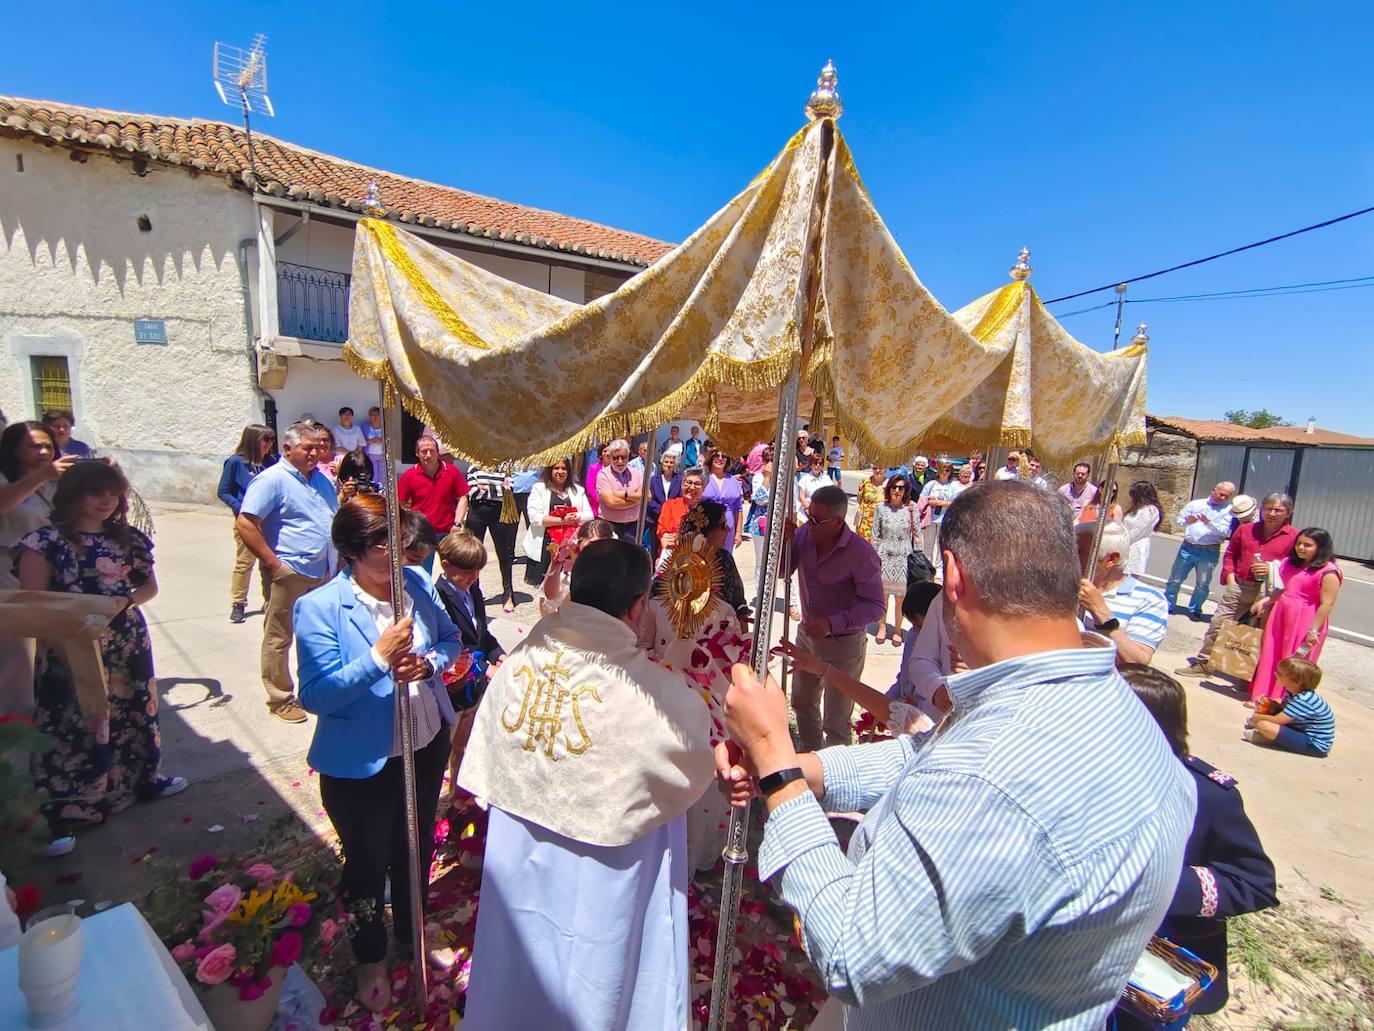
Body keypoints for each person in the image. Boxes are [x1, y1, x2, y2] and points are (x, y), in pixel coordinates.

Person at [716, 479, 1196, 1029]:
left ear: (953, 577)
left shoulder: (996, 770)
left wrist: (775, 761)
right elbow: (924, 754)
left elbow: (853, 952)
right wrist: (801, 769)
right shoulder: (1112, 705)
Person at [459, 539, 714, 1031]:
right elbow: (693, 748)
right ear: (638, 606)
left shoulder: (526, 653)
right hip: (601, 874)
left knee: (516, 965)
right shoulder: (654, 693)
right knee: (593, 975)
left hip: (519, 856)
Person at [294, 495, 462, 1012]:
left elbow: (453, 638)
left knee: (413, 846)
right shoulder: (320, 607)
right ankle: (369, 955)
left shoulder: (415, 584)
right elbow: (317, 694)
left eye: (399, 537)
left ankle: (411, 934)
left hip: (425, 742)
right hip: (363, 764)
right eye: (382, 541)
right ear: (351, 550)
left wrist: (430, 664)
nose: (398, 549)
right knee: (367, 866)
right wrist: (377, 659)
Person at [16, 461, 186, 855]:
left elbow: (147, 589)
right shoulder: (43, 544)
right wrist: (72, 632)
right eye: (97, 493)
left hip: (126, 643)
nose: (107, 502)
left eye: (113, 494)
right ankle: (61, 812)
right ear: (74, 496)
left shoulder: (128, 540)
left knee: (132, 713)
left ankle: (142, 780)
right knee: (74, 722)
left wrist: (119, 603)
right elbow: (32, 605)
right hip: (68, 649)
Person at [1117, 664, 1278, 1026]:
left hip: (1154, 964)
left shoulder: (1205, 793)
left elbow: (1254, 883)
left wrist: (1158, 883)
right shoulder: (1081, 775)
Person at [236, 422, 339, 724]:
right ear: (288, 449)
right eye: (307, 448)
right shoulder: (273, 480)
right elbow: (246, 523)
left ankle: (318, 686)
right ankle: (280, 697)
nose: (314, 453)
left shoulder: (319, 479)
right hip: (290, 571)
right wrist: (272, 563)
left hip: (323, 571)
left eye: (316, 448)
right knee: (279, 636)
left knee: (319, 633)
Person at [783, 484, 884, 750]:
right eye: (808, 515)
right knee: (802, 703)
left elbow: (875, 607)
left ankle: (836, 777)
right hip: (807, 634)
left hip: (843, 643)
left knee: (836, 719)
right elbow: (782, 572)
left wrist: (831, 623)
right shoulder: (804, 533)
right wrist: (784, 543)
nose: (810, 523)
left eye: (817, 519)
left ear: (838, 521)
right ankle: (810, 756)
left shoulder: (861, 554)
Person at [775, 580, 944, 737]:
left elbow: (944, 703)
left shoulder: (950, 651)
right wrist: (884, 704)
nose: (915, 630)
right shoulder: (914, 635)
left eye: (920, 625)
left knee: (836, 719)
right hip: (907, 719)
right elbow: (904, 678)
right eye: (913, 625)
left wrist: (912, 708)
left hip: (929, 729)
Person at [1176, 492, 1296, 679]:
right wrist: (1231, 580)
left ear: (1288, 513)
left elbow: (1294, 568)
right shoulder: (1246, 530)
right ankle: (1204, 663)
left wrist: (1272, 571)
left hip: (1268, 592)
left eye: (1278, 510)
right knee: (1218, 624)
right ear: (1261, 510)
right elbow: (1230, 554)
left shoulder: (1293, 538)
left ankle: (1247, 675)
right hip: (1240, 586)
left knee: (1259, 633)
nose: (1272, 513)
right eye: (1268, 509)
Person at [0, 421, 76, 715]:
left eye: (48, 444)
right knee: (17, 648)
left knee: (59, 641)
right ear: (15, 449)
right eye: (35, 445)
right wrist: (41, 476)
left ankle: (54, 705)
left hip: (55, 568)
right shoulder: (6, 479)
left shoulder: (60, 481)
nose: (44, 451)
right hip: (9, 568)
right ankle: (16, 715)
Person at [434, 528, 507, 797]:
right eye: (466, 572)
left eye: (477, 571)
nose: (473, 577)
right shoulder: (439, 597)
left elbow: (481, 634)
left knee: (465, 747)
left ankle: (458, 796)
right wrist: (485, 667)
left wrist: (498, 654)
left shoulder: (473, 592)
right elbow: (454, 644)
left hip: (472, 689)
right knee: (443, 748)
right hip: (451, 689)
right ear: (446, 565)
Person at [1247, 528, 1342, 707]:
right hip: (1281, 613)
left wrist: (1313, 630)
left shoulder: (1329, 571)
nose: (1301, 548)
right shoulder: (1291, 563)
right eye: (1299, 543)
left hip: (1306, 619)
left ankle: (1282, 701)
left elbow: (1327, 603)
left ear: (1320, 548)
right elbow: (1285, 587)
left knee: (1294, 661)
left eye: (1308, 545)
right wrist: (1266, 601)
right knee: (1271, 653)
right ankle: (1261, 696)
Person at [1076, 520, 1169, 665]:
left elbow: (1136, 662)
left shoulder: (1149, 600)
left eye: (1079, 552)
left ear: (1111, 559)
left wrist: (1101, 613)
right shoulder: (1061, 586)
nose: (1070, 558)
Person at [217, 424, 276, 624]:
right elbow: (223, 491)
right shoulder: (235, 463)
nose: (269, 445)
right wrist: (241, 508)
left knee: (269, 563)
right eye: (265, 440)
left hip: (269, 521)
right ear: (253, 440)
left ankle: (270, 601)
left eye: (271, 440)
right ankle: (238, 603)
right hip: (248, 522)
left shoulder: (272, 463)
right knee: (245, 563)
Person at [1164, 481, 1237, 618]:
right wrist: (1187, 522)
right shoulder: (1196, 504)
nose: (1222, 498)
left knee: (1203, 583)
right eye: (1221, 494)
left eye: (1226, 496)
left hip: (1209, 551)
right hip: (1188, 547)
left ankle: (1195, 608)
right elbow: (1177, 520)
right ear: (1213, 490)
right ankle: (1168, 603)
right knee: (1175, 578)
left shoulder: (1229, 510)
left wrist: (1209, 523)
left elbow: (1226, 532)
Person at [1244, 656, 1335, 757]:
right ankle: (1275, 736)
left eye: (1280, 674)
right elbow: (1284, 707)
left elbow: (1278, 720)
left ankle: (1271, 739)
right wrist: (1269, 704)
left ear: (1297, 681)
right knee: (1272, 706)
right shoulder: (1292, 691)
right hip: (1300, 729)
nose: (1275, 674)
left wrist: (1257, 717)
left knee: (1263, 725)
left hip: (1314, 744)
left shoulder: (1303, 699)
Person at [522, 458, 593, 585]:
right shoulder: (539, 489)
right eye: (556, 468)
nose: (560, 472)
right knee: (544, 589)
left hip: (570, 547)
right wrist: (562, 521)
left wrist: (576, 516)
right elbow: (534, 518)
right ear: (550, 470)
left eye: (564, 468)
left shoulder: (578, 490)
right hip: (546, 546)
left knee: (567, 585)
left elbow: (590, 515)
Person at [869, 474, 921, 646]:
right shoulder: (880, 508)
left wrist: (919, 557)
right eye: (894, 487)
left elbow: (918, 534)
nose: (897, 491)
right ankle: (882, 627)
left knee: (900, 598)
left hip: (903, 558)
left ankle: (898, 629)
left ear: (906, 490)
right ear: (889, 488)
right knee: (883, 596)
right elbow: (875, 534)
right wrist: (873, 558)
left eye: (901, 488)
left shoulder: (912, 508)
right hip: (884, 557)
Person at [396, 435, 470, 547]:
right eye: (424, 451)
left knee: (452, 564)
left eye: (432, 451)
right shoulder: (409, 476)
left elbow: (463, 497)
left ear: (438, 452)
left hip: (448, 531)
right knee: (422, 565)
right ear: (417, 453)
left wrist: (457, 523)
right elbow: (400, 504)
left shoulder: (451, 471)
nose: (428, 455)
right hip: (421, 533)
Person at [464, 465, 519, 612]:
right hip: (476, 512)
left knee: (504, 554)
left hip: (498, 512)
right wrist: (496, 488)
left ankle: (508, 595)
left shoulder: (505, 467)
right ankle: (473, 593)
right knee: (473, 554)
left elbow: (508, 491)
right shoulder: (473, 467)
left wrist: (485, 488)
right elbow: (472, 492)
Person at [919, 461, 970, 579]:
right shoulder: (931, 484)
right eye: (942, 470)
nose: (944, 473)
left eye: (947, 470)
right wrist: (929, 500)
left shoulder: (953, 485)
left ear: (951, 472)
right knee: (927, 546)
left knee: (941, 546)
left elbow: (957, 502)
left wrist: (942, 503)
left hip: (944, 520)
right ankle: (927, 571)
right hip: (930, 519)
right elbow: (922, 498)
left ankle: (939, 572)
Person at [596, 438, 645, 543]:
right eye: (616, 458)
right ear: (609, 457)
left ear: (629, 456)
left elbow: (647, 496)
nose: (620, 461)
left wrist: (625, 495)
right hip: (610, 527)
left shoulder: (637, 473)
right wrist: (637, 499)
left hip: (633, 528)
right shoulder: (603, 475)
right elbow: (612, 502)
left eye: (623, 457)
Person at [701, 446, 744, 552]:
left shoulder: (733, 481)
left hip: (727, 531)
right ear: (711, 458)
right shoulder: (702, 478)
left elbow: (738, 509)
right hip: (706, 527)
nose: (720, 459)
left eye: (724, 456)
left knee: (724, 561)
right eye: (717, 455)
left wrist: (738, 533)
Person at [656, 467, 705, 552]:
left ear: (703, 488)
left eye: (697, 484)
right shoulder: (670, 505)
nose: (692, 487)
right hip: (673, 554)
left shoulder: (707, 509)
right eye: (688, 483)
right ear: (682, 485)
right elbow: (665, 536)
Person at [1121, 480, 1164, 576]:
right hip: (1127, 544)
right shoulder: (1137, 508)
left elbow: (1138, 530)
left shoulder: (1149, 510)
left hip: (1135, 546)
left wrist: (1122, 543)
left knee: (1130, 574)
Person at [645, 451, 681, 557]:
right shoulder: (653, 481)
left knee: (669, 552)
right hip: (654, 520)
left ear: (675, 465)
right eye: (666, 462)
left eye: (671, 462)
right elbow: (649, 500)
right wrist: (664, 511)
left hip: (672, 523)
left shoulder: (679, 480)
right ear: (661, 463)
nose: (668, 465)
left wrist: (669, 513)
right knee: (653, 550)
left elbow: (679, 499)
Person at [796, 452, 830, 518]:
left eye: (820, 463)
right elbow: (801, 497)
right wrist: (812, 510)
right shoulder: (804, 479)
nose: (817, 465)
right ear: (810, 465)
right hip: (805, 516)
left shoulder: (827, 479)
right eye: (815, 463)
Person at [855, 466, 885, 541]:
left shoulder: (888, 484)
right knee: (863, 546)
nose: (877, 470)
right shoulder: (865, 482)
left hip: (881, 522)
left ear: (885, 469)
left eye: (880, 468)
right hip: (864, 522)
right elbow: (859, 500)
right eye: (874, 468)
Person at [584, 442, 609, 518]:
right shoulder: (593, 468)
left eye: (610, 451)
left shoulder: (616, 468)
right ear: (600, 455)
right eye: (605, 451)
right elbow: (590, 488)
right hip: (597, 507)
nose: (607, 453)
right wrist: (602, 501)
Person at [362, 406, 385, 485]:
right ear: (369, 416)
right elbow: (360, 440)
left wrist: (382, 440)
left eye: (377, 415)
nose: (375, 417)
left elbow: (391, 439)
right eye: (372, 415)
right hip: (370, 455)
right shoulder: (365, 427)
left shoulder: (385, 426)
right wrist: (371, 441)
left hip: (383, 455)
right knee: (373, 475)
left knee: (383, 476)